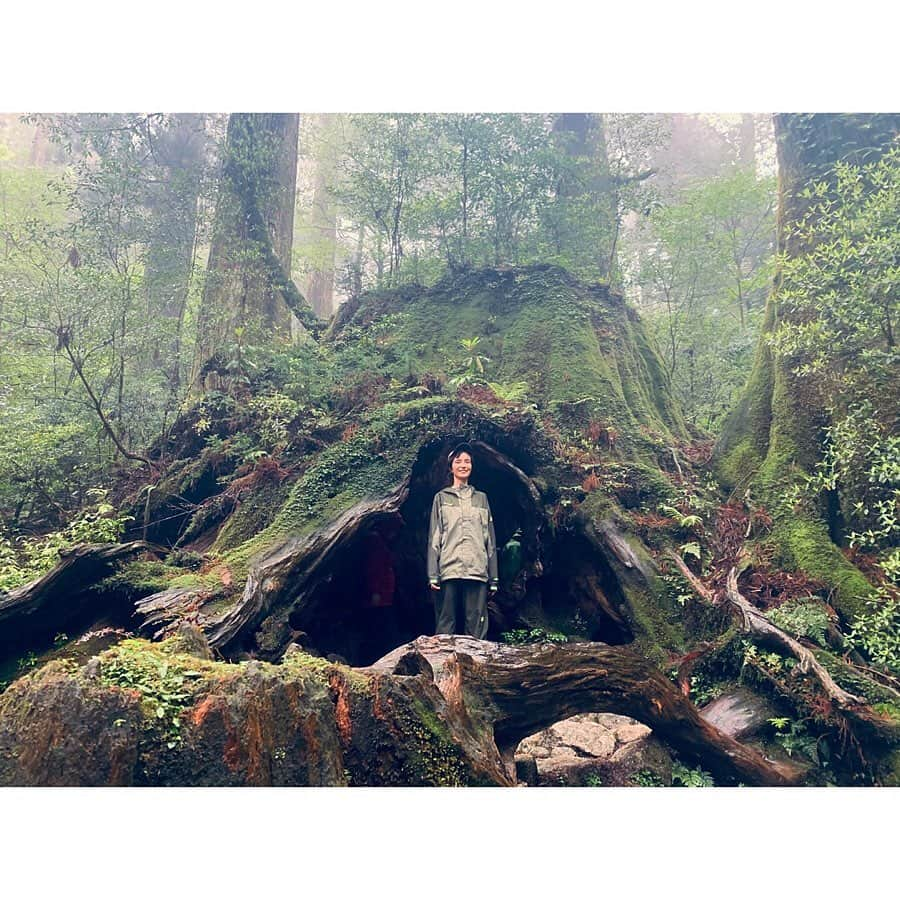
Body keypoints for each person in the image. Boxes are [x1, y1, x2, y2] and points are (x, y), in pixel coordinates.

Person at [427, 442, 498, 638]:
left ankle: (477, 665)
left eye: (467, 461)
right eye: (458, 461)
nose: (463, 465)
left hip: (477, 567)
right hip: (449, 567)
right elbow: (435, 536)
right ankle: (441, 663)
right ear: (451, 467)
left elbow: (489, 539)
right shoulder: (441, 498)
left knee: (476, 621)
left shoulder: (481, 498)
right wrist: (433, 573)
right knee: (445, 620)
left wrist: (494, 577)